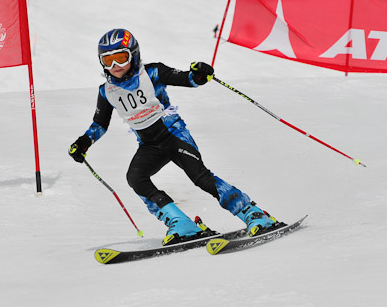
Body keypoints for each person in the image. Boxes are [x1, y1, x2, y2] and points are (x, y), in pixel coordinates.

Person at [69, 28, 285, 245]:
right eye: (108, 61)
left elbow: (186, 79)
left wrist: (199, 75)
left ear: (133, 55)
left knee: (200, 177)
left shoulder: (152, 73)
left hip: (174, 134)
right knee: (135, 178)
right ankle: (182, 223)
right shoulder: (106, 91)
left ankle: (253, 213)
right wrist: (84, 142)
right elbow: (100, 123)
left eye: (121, 58)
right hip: (149, 144)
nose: (115, 66)